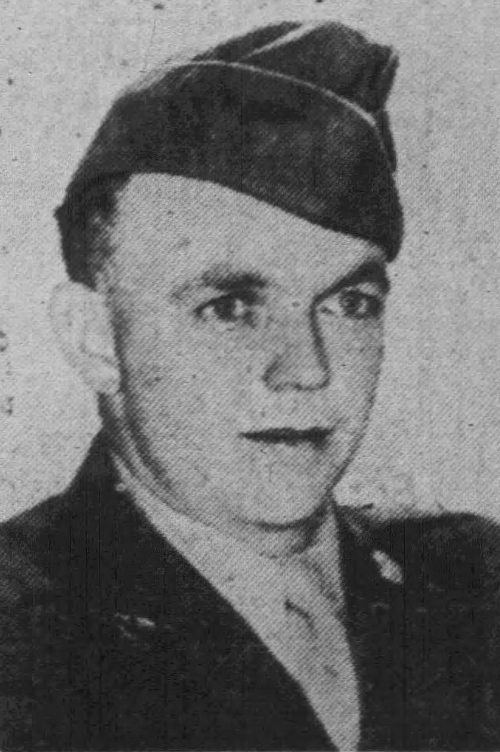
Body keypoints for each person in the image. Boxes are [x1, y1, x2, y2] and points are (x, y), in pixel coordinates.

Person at [1, 18, 500, 752]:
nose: (307, 369)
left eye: (349, 303)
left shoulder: (472, 583)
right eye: (230, 307)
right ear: (95, 338)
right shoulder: (23, 640)